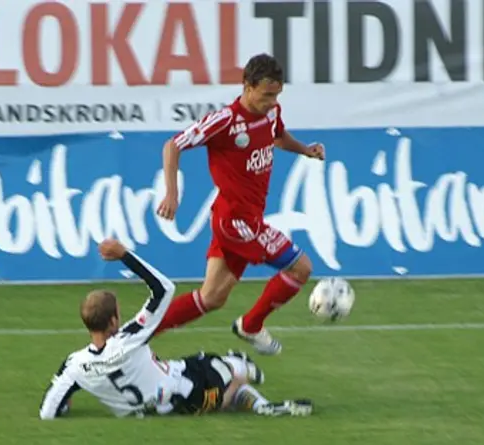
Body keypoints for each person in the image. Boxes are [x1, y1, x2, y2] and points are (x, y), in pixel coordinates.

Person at [155, 53, 325, 355]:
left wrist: (305, 150)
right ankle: (251, 325)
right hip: (236, 222)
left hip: (244, 217)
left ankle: (139, 334)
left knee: (212, 297)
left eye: (277, 95)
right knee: (301, 268)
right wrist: (172, 193)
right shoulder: (226, 121)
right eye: (266, 95)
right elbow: (173, 145)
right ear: (247, 86)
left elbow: (279, 137)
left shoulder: (271, 113)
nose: (272, 102)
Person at [38, 239, 313, 420]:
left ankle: (245, 387)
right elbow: (163, 288)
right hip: (185, 397)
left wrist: (63, 404)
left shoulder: (74, 365)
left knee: (197, 366)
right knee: (233, 368)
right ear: (113, 321)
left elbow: (47, 412)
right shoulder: (129, 337)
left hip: (156, 400)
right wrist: (124, 256)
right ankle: (258, 400)